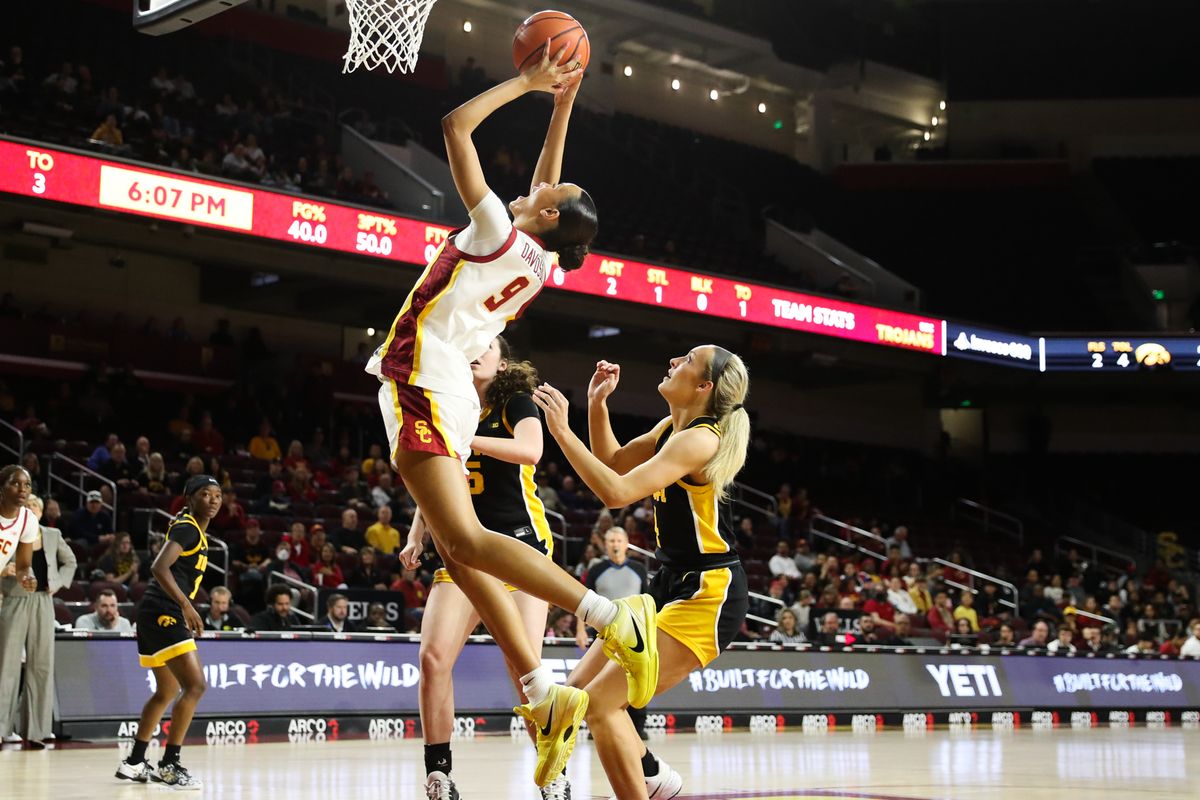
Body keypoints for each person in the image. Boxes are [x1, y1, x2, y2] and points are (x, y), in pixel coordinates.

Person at [366, 44, 642, 793]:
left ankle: (603, 614)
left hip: (425, 378)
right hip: (447, 385)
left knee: (465, 540)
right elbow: (550, 187)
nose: (541, 185)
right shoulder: (542, 257)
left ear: (547, 213)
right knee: (460, 550)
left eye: (551, 191)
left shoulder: (495, 228)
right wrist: (561, 104)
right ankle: (538, 687)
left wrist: (523, 82)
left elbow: (456, 126)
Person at [533, 345, 750, 800]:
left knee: (598, 707)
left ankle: (647, 782)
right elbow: (612, 462)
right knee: (574, 692)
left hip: (706, 594)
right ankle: (652, 774)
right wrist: (597, 405)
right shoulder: (673, 428)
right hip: (668, 583)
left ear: (704, 387)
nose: (673, 361)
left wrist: (560, 430)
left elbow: (614, 493)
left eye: (687, 361)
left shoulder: (700, 439)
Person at [399, 335, 570, 799]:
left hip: (520, 548)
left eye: (488, 345)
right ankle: (439, 773)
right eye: (471, 343)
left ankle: (552, 776)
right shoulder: (448, 407)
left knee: (523, 670)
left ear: (504, 361)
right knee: (432, 658)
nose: (477, 350)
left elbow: (531, 451)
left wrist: (466, 439)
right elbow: (436, 479)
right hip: (462, 551)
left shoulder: (514, 401)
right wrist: (418, 534)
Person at [115, 475, 221, 789]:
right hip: (164, 610)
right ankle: (170, 765)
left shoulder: (194, 529)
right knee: (196, 686)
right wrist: (187, 606)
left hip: (153, 611)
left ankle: (135, 761)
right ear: (190, 497)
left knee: (166, 692)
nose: (213, 500)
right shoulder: (188, 527)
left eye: (217, 494)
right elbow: (159, 567)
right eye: (205, 494)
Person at [0, 493, 75, 745]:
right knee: (7, 665)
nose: (31, 508)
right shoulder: (9, 533)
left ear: (41, 513)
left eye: (35, 505)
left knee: (41, 665)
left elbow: (70, 562)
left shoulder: (52, 536)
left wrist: (58, 584)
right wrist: (4, 569)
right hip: (14, 599)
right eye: (27, 504)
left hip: (43, 600)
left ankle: (36, 732)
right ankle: (1, 729)